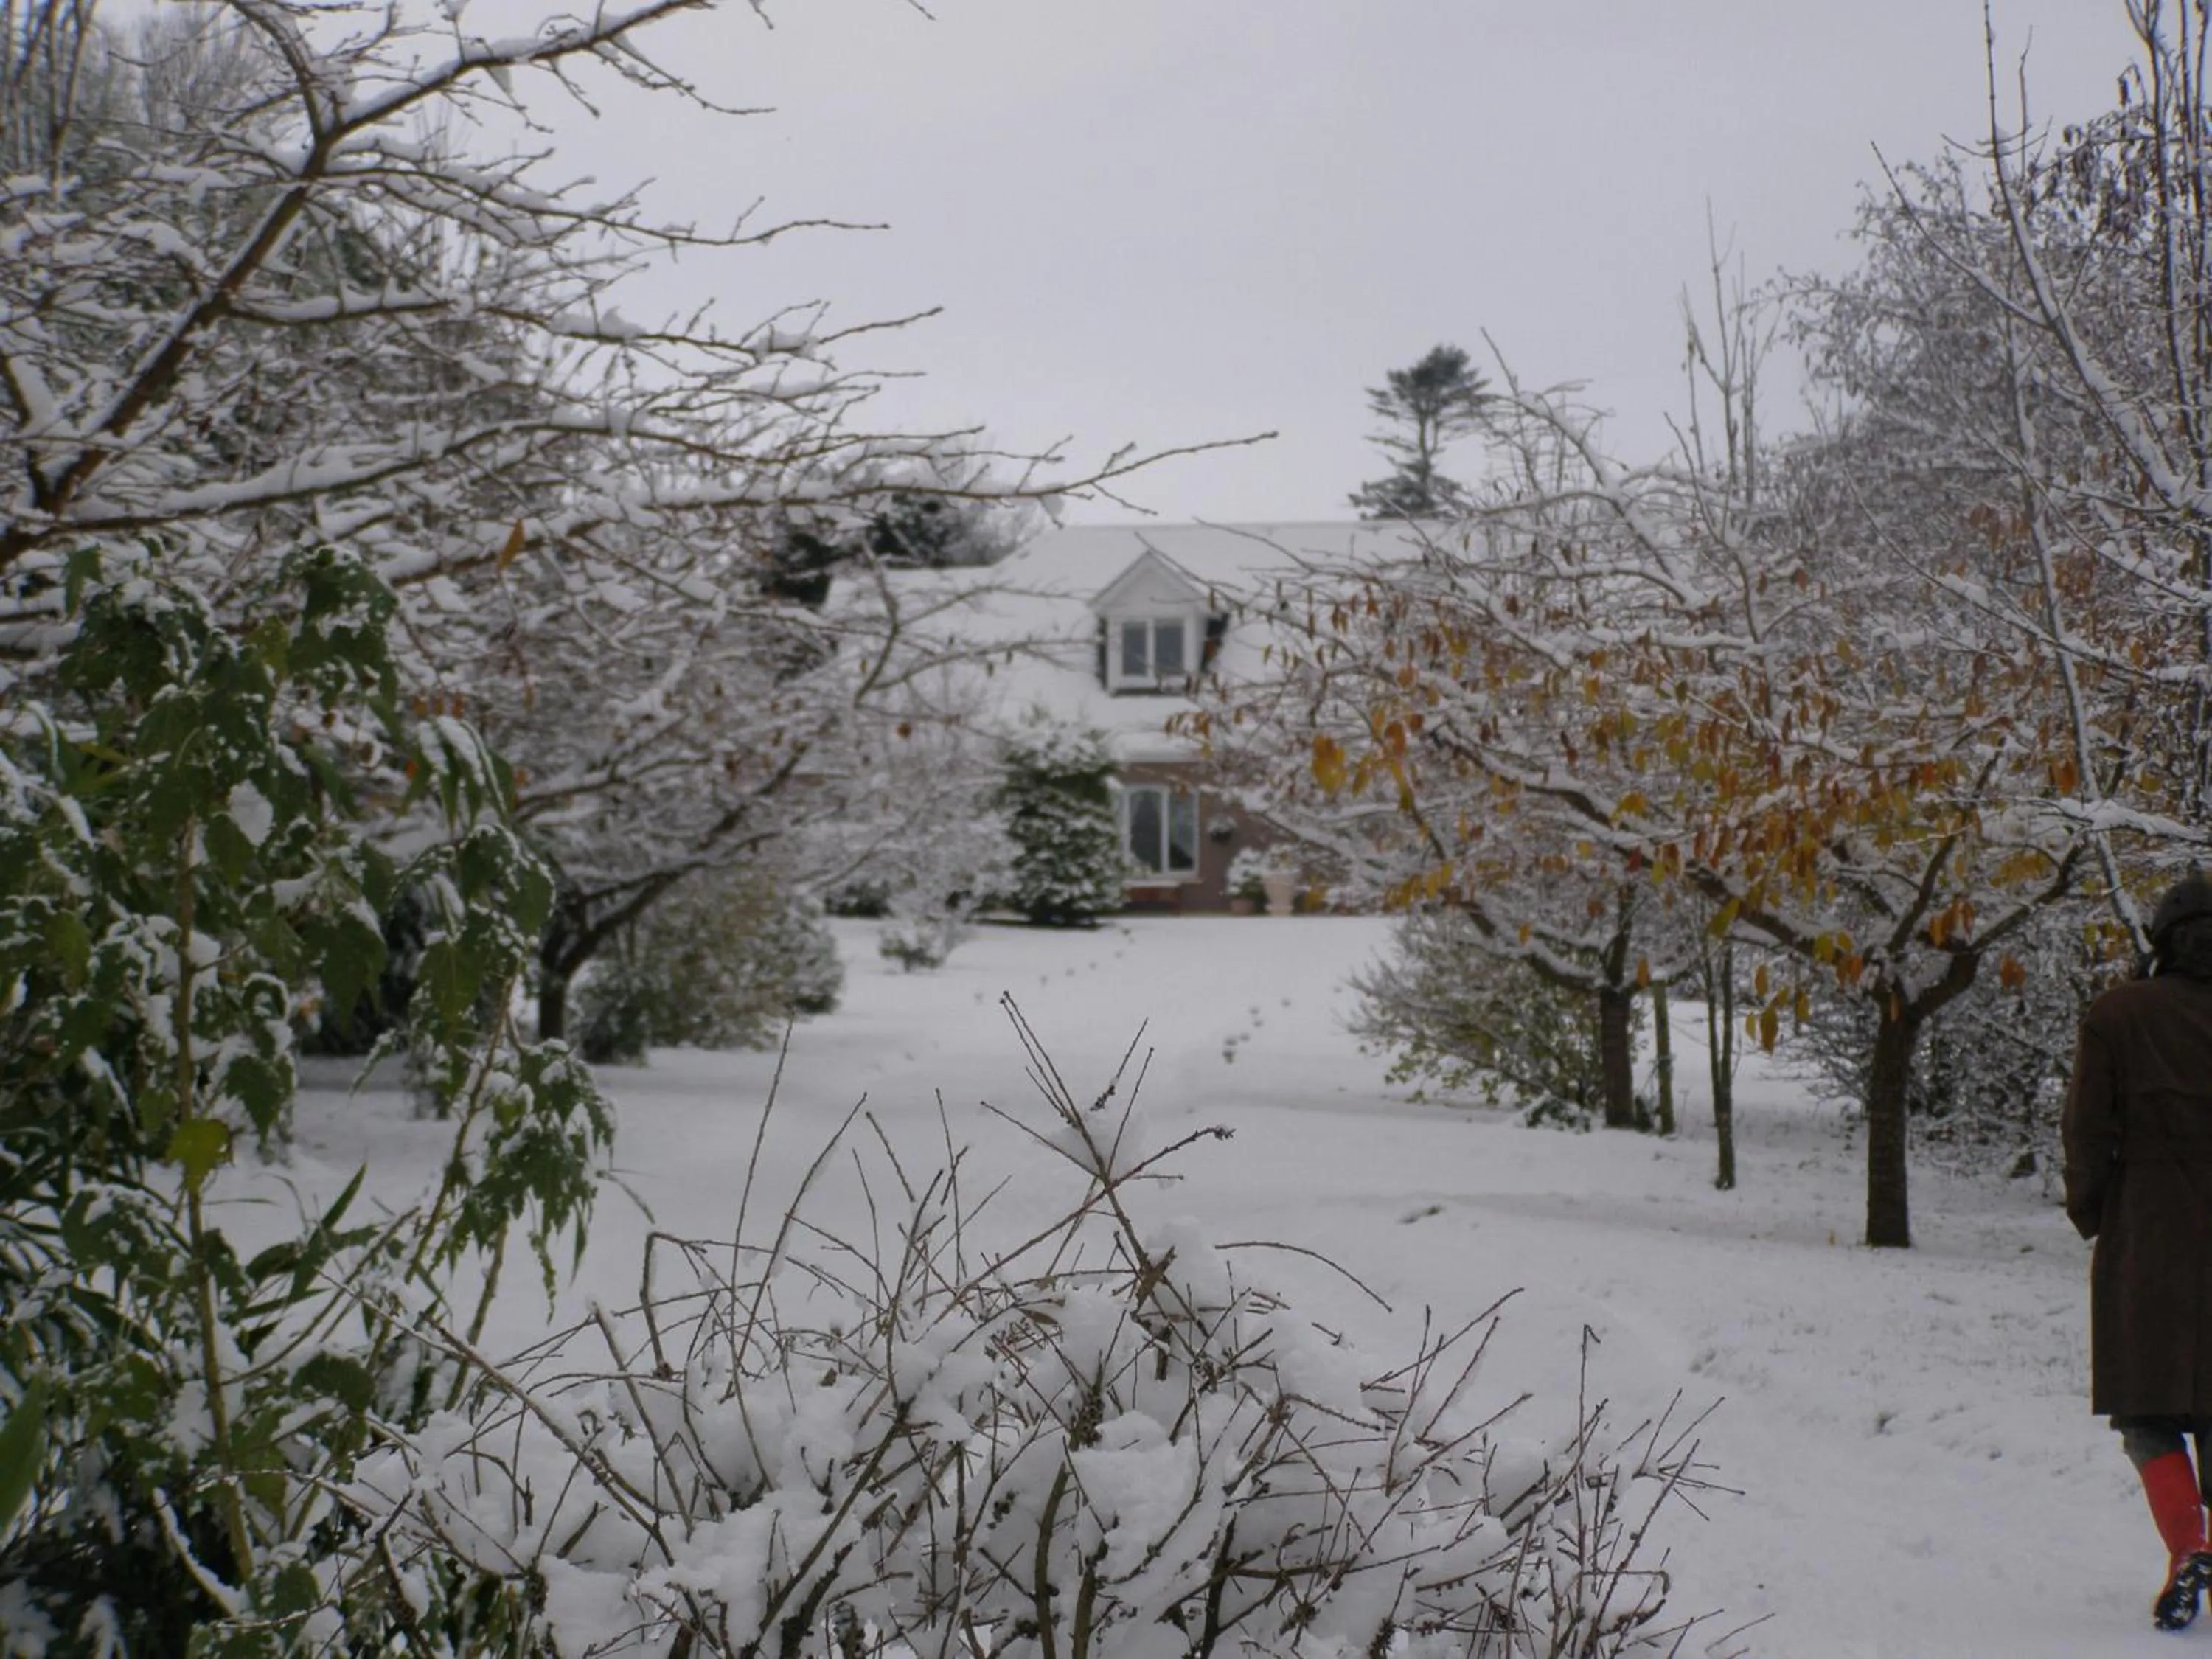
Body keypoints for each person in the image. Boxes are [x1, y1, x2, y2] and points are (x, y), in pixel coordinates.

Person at [2065, 872, 2212, 1630]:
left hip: (2149, 1232)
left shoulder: (2118, 1014)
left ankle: (2191, 1544)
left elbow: (2090, 1130)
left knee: (2145, 1409)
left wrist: (2095, 1212)